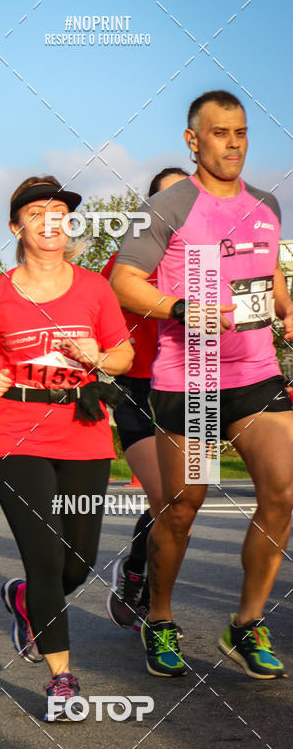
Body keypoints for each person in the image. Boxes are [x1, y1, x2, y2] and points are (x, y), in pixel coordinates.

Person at [111, 90, 293, 679]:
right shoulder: (167, 206)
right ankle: (159, 619)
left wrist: (288, 315)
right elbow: (123, 280)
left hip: (256, 373)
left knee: (284, 491)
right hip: (188, 380)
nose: (233, 143)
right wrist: (180, 306)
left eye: (241, 132)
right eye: (220, 133)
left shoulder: (266, 204)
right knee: (184, 506)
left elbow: (271, 283)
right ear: (194, 141)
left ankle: (245, 624)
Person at [0, 175, 133, 721]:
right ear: (17, 227)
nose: (52, 219)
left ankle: (26, 600)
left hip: (84, 428)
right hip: (14, 432)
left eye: (60, 210)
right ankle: (62, 679)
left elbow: (123, 357)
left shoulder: (95, 290)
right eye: (37, 212)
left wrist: (97, 356)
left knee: (79, 562)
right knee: (46, 558)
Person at [102, 168, 189, 631]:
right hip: (137, 385)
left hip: (196, 388)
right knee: (163, 497)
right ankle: (147, 596)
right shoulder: (125, 260)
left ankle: (135, 567)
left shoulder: (209, 259)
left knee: (185, 502)